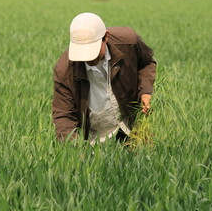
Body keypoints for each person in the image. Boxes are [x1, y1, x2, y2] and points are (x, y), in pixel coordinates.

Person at [52, 12, 156, 143]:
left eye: (92, 51)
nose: (87, 58)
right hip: (95, 138)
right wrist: (74, 148)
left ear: (105, 37)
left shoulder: (128, 42)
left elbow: (147, 63)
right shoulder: (64, 69)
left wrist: (145, 92)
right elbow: (63, 115)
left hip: (131, 126)